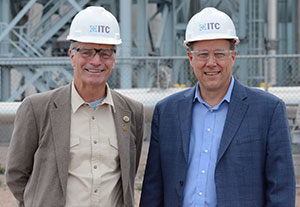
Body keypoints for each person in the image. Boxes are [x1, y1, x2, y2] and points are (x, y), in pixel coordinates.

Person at [140, 7, 295, 207]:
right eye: (203, 54)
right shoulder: (167, 112)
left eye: (219, 54)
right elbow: (153, 188)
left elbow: (281, 189)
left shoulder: (268, 110)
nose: (211, 63)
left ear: (233, 56)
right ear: (190, 58)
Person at [6, 6, 144, 207]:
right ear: (72, 56)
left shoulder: (131, 112)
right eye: (86, 52)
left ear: (114, 59)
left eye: (105, 53)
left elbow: (128, 174)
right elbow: (16, 174)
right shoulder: (37, 109)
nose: (96, 61)